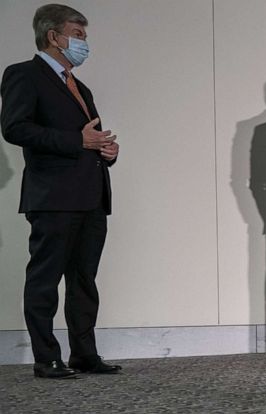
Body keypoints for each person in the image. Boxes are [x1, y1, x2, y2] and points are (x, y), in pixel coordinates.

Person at [1, 4, 121, 379]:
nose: (84, 43)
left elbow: (88, 138)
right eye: (79, 35)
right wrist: (77, 140)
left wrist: (106, 150)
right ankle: (45, 357)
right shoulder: (24, 75)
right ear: (54, 36)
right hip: (53, 197)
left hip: (91, 196)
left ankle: (84, 354)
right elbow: (15, 128)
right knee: (45, 279)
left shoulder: (79, 86)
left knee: (84, 280)